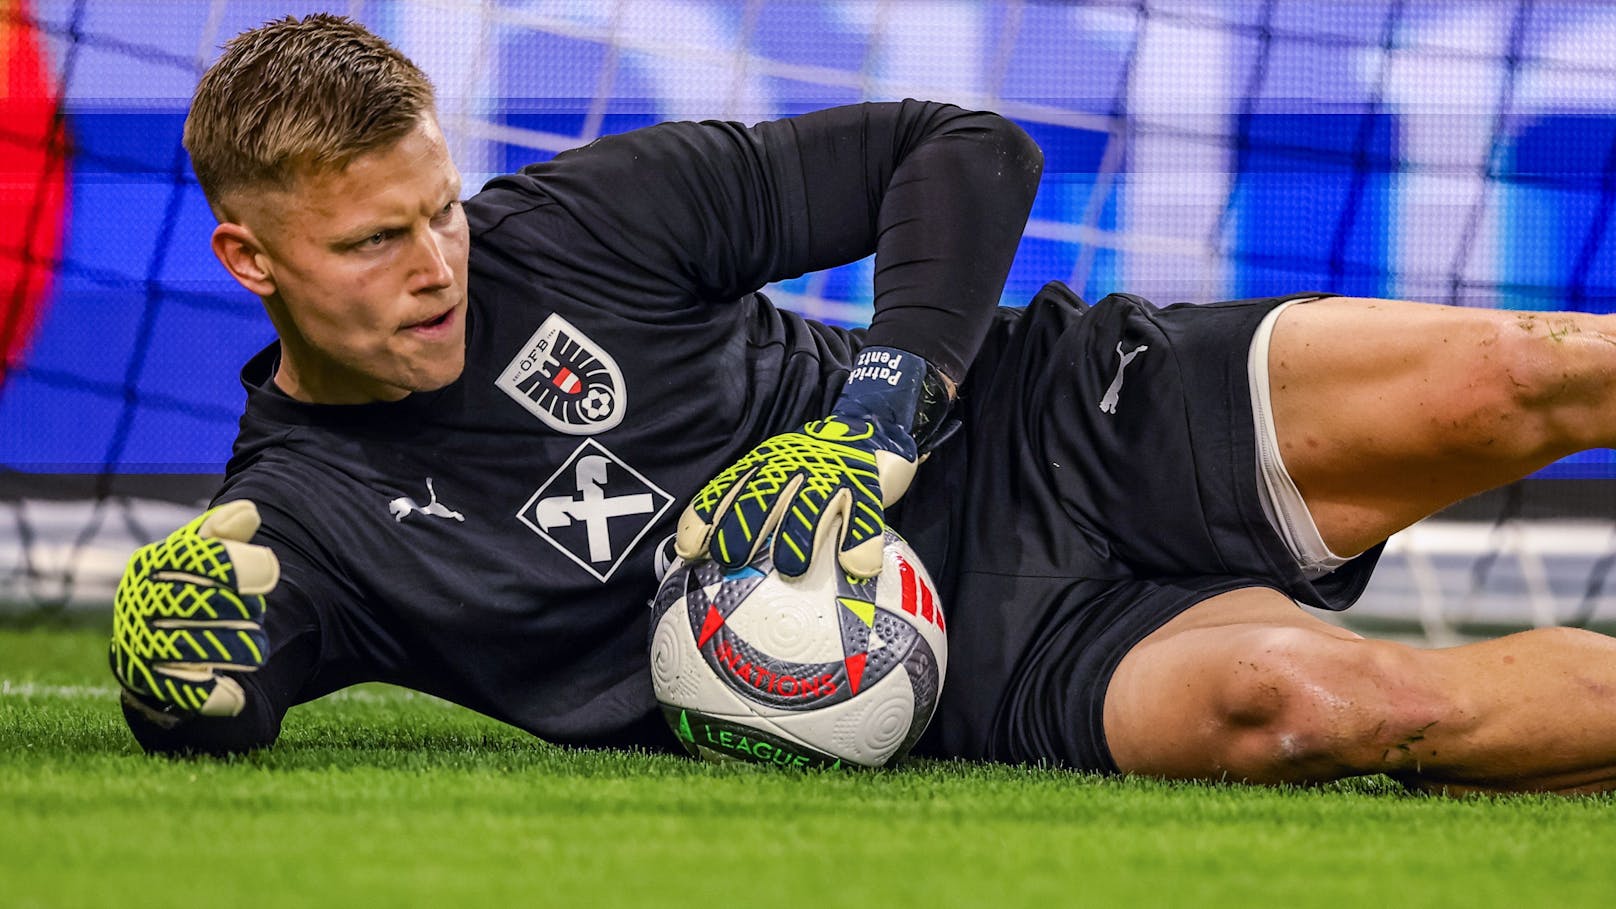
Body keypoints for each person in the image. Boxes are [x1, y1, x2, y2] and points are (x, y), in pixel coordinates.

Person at [110, 14, 1616, 795]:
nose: (440, 263)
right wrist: (173, 666)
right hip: (986, 665)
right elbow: (223, 693)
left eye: (436, 209)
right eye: (377, 240)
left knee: (1531, 371)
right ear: (249, 257)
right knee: (1337, 709)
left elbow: (965, 150)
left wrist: (877, 413)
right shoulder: (301, 513)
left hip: (1041, 422)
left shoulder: (570, 227)